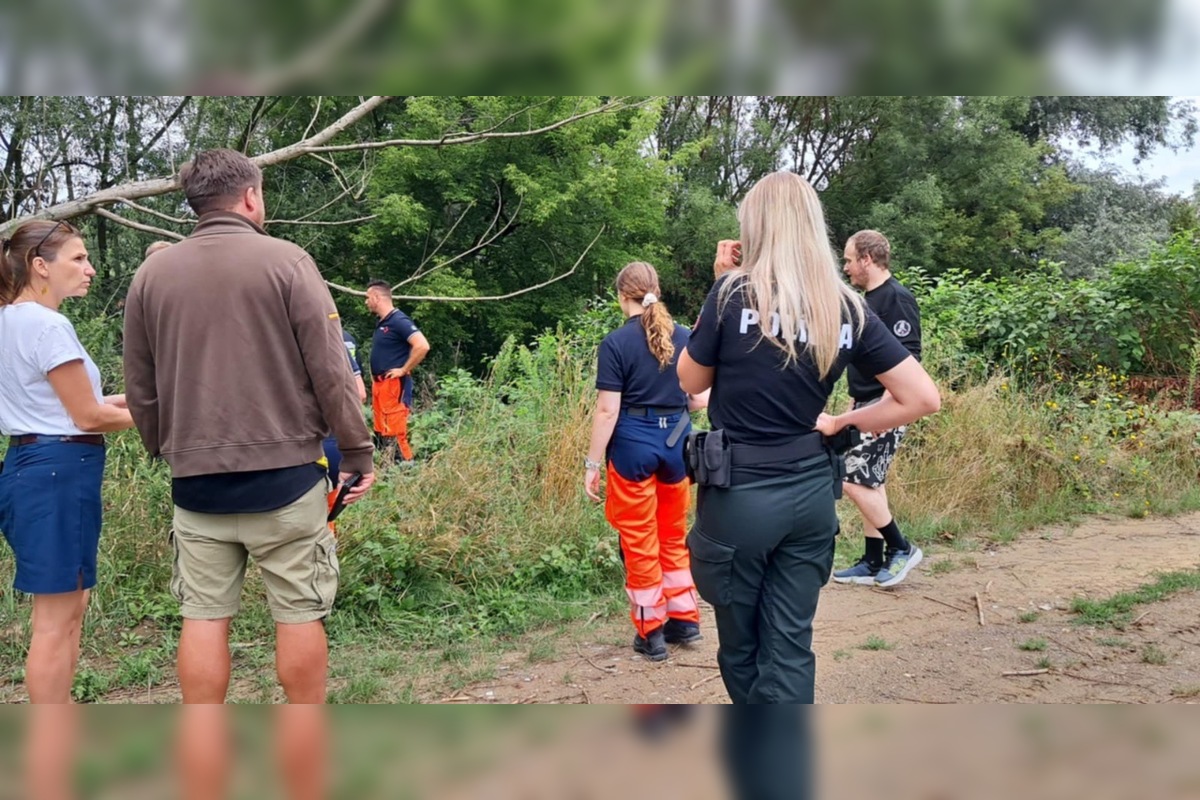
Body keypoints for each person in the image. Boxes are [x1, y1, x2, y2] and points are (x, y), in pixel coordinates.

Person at [122, 148, 376, 708]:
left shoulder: (152, 274)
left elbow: (140, 385)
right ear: (251, 196)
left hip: (196, 484)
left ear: (195, 202)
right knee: (299, 611)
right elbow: (332, 370)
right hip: (286, 479)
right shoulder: (288, 261)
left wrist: (163, 447)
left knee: (203, 615)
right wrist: (357, 452)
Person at [676, 171, 940, 704]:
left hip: (741, 495)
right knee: (791, 643)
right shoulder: (845, 305)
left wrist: (719, 284)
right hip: (811, 494)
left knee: (742, 646)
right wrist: (842, 423)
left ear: (755, 226)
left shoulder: (730, 294)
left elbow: (690, 381)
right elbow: (922, 398)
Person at [0, 220, 135, 710]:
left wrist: (145, 400)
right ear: (40, 265)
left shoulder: (9, 320)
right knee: (55, 622)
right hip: (58, 469)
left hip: (31, 464)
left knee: (68, 608)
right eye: (78, 258)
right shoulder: (47, 325)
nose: (89, 268)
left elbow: (70, 403)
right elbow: (88, 416)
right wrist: (164, 415)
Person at [584, 262, 709, 662]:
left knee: (639, 540)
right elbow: (699, 399)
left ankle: (651, 631)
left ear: (623, 295)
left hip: (633, 446)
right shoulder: (684, 337)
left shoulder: (615, 343)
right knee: (672, 535)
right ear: (656, 290)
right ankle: (684, 620)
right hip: (676, 446)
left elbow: (607, 411)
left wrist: (591, 464)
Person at [833, 230, 925, 587]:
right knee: (872, 480)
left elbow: (909, 359)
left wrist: (889, 408)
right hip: (867, 402)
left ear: (867, 259)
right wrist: (856, 401)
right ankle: (873, 560)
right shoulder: (866, 300)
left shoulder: (896, 298)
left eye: (849, 260)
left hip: (889, 404)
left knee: (852, 478)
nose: (846, 267)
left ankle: (901, 548)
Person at [365, 280, 430, 463]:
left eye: (368, 297)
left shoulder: (398, 320)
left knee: (395, 432)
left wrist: (403, 369)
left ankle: (407, 469)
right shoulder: (382, 322)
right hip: (380, 385)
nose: (366, 302)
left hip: (393, 385)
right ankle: (387, 469)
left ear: (377, 297)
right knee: (381, 431)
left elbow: (422, 346)